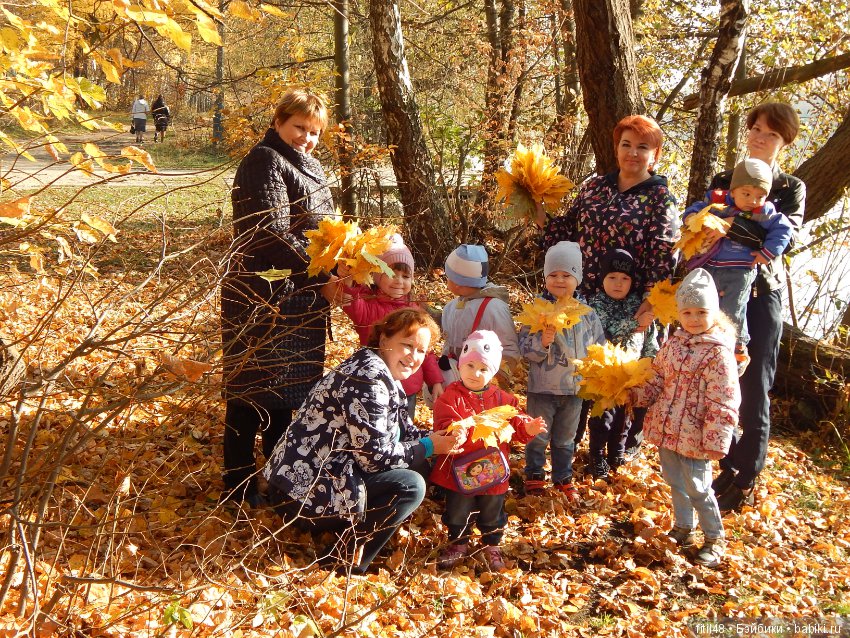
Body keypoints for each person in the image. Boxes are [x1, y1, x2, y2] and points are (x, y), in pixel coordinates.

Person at [264, 308, 461, 575]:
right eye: (407, 345)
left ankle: (360, 536)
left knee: (418, 464)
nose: (414, 357)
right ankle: (344, 559)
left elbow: (405, 432)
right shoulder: (367, 378)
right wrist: (429, 446)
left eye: (421, 351)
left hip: (330, 474)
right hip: (301, 490)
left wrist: (442, 439)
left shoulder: (384, 373)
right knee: (411, 485)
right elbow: (374, 458)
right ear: (383, 340)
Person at [535, 114, 678, 459]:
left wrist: (650, 302)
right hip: (588, 297)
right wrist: (537, 211)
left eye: (642, 147)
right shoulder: (595, 186)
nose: (632, 153)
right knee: (586, 368)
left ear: (654, 154)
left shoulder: (661, 198)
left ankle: (623, 444)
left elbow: (664, 254)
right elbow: (567, 230)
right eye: (626, 145)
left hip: (632, 301)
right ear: (616, 148)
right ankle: (576, 439)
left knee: (628, 372)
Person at [220, 88, 338, 507]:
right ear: (278, 123)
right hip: (261, 296)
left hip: (301, 301)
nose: (306, 138)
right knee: (251, 394)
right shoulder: (264, 161)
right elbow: (272, 232)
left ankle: (279, 479)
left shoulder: (313, 167)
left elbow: (326, 231)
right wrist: (325, 273)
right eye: (299, 128)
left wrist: (345, 262)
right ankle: (236, 485)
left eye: (313, 131)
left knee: (288, 397)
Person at [704, 103, 806, 513]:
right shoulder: (723, 180)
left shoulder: (789, 188)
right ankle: (728, 464)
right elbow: (704, 229)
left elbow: (786, 236)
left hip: (763, 296)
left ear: (784, 143)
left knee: (755, 386)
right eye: (756, 129)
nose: (760, 139)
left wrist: (737, 227)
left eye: (771, 135)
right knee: (719, 379)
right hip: (721, 296)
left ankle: (747, 476)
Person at [628, 269, 740, 568]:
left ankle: (715, 539)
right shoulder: (673, 344)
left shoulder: (718, 354)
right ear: (679, 313)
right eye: (687, 312)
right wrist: (637, 395)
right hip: (667, 427)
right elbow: (657, 379)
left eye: (701, 312)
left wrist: (717, 437)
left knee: (699, 488)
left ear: (713, 313)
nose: (693, 318)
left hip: (696, 434)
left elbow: (724, 398)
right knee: (674, 481)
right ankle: (683, 527)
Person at [429, 330, 547, 571]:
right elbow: (442, 423)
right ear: (460, 366)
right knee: (458, 507)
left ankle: (491, 543)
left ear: (492, 372)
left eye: (483, 369)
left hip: (494, 467)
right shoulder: (451, 398)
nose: (475, 373)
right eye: (470, 366)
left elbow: (516, 423)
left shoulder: (504, 400)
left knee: (493, 507)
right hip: (459, 467)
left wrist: (529, 427)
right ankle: (458, 541)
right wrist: (455, 431)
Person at [683, 158, 793, 374]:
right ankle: (699, 342)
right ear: (733, 191)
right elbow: (697, 207)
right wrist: (691, 217)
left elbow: (784, 229)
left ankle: (737, 347)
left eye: (760, 196)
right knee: (703, 304)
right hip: (710, 266)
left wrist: (767, 253)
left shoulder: (766, 212)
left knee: (734, 307)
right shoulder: (717, 202)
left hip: (740, 269)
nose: (753, 200)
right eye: (747, 194)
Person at [519, 241, 605, 500]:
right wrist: (542, 342)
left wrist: (597, 375)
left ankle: (563, 477)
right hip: (542, 388)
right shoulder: (536, 311)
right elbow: (526, 350)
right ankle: (534, 474)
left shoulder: (588, 314)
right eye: (553, 275)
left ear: (577, 278)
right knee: (537, 436)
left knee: (566, 439)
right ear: (545, 277)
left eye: (566, 275)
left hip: (574, 389)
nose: (559, 280)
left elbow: (599, 348)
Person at [338, 234, 444, 418]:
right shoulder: (369, 306)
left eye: (405, 276)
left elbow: (424, 351)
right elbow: (351, 304)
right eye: (391, 274)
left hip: (407, 388)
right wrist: (348, 279)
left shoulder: (415, 310)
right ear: (378, 276)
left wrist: (435, 381)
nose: (399, 281)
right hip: (374, 386)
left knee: (402, 432)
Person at [585, 249, 658, 480]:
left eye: (625, 278)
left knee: (624, 419)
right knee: (603, 419)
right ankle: (596, 455)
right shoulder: (596, 304)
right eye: (612, 277)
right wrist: (636, 322)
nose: (618, 283)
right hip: (604, 375)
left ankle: (617, 452)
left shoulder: (638, 304)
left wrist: (650, 364)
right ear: (602, 279)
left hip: (631, 375)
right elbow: (606, 333)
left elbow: (650, 339)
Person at [439, 244, 520, 387]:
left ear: (457, 283)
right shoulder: (452, 306)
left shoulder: (493, 308)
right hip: (454, 384)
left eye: (448, 276)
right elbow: (447, 329)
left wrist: (498, 379)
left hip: (482, 385)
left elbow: (509, 348)